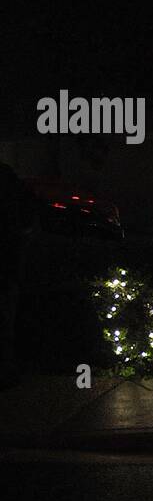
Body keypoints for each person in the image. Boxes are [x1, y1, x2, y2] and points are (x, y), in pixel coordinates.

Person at [0, 162, 38, 387]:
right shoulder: (9, 179)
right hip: (8, 265)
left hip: (7, 265)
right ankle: (6, 371)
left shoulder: (8, 180)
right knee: (5, 322)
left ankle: (6, 370)